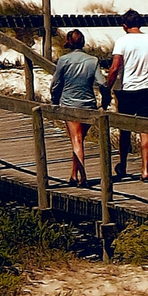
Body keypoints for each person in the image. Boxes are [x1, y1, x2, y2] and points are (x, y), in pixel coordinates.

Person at [101, 8, 148, 181]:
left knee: (125, 130)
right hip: (147, 90)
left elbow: (115, 67)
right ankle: (145, 170)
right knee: (146, 130)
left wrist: (108, 86)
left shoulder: (122, 42)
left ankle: (123, 164)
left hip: (127, 90)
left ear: (124, 25)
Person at [48, 29, 99, 186]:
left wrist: (55, 101)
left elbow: (56, 84)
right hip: (89, 104)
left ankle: (82, 177)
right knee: (79, 139)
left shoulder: (64, 60)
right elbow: (102, 83)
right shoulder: (93, 60)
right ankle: (73, 174)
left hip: (70, 104)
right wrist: (106, 98)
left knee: (76, 140)